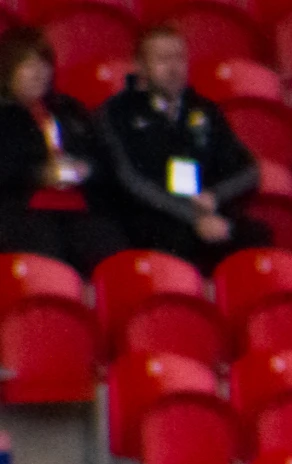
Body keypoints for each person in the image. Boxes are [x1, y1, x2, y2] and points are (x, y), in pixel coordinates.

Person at [98, 25, 269, 274]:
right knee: (171, 241)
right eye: (163, 59)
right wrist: (193, 217)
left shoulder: (204, 110)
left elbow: (249, 170)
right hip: (152, 216)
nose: (174, 68)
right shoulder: (118, 113)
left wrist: (215, 196)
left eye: (179, 58)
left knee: (255, 234)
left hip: (206, 210)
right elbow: (130, 180)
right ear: (141, 66)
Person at [0, 26, 128, 276]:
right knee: (47, 255)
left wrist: (87, 168)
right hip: (25, 210)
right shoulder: (4, 117)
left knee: (112, 252)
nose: (39, 73)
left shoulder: (69, 110)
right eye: (28, 65)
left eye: (43, 64)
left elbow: (105, 159)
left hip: (78, 205)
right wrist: (39, 174)